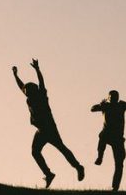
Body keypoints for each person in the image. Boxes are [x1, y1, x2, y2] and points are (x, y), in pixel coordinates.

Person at [12, 58, 84, 188]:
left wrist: (37, 69)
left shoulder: (41, 95)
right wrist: (15, 75)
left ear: (34, 90)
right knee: (35, 152)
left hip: (49, 128)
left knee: (62, 148)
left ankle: (78, 167)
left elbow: (41, 82)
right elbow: (21, 86)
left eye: (28, 91)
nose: (26, 93)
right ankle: (49, 174)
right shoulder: (29, 96)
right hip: (40, 130)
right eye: (26, 92)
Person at [90, 90, 126, 191]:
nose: (114, 99)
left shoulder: (122, 105)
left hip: (118, 138)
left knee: (119, 163)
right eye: (112, 97)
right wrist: (101, 105)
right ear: (108, 98)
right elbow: (92, 109)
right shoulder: (106, 105)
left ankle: (115, 187)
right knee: (102, 136)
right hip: (107, 134)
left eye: (116, 97)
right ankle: (100, 156)